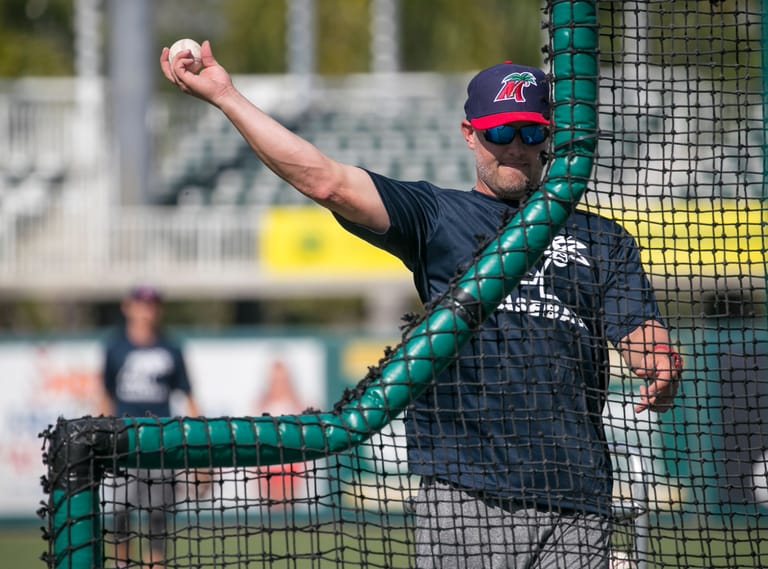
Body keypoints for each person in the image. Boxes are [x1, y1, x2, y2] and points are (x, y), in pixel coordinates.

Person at [161, 43, 683, 569]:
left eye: (530, 133)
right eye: (500, 132)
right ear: (470, 134)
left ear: (549, 135)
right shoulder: (439, 214)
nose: (515, 147)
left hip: (578, 496)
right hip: (469, 495)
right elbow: (327, 181)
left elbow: (641, 334)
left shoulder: (602, 239)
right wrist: (227, 96)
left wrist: (661, 365)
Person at [98, 284, 202, 569]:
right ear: (127, 306)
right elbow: (106, 395)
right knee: (119, 513)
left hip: (160, 443)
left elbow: (188, 395)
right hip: (123, 443)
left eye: (152, 304)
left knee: (158, 516)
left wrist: (200, 449)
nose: (147, 310)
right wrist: (100, 439)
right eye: (141, 303)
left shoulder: (171, 348)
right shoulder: (114, 347)